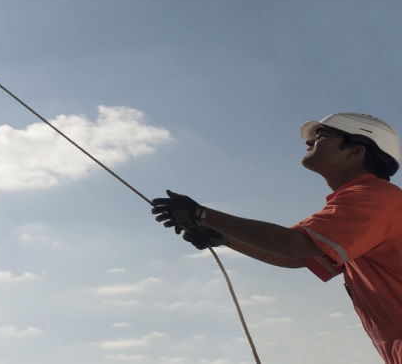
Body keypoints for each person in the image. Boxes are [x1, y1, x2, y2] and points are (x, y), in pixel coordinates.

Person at [152, 112, 402, 364]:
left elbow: (291, 244)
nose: (309, 142)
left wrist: (202, 214)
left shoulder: (373, 199)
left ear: (356, 151)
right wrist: (223, 238)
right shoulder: (371, 201)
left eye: (321, 135)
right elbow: (299, 257)